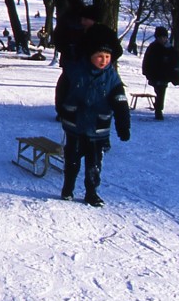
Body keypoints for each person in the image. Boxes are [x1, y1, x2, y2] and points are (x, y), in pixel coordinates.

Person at [56, 35, 131, 207]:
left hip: (98, 128)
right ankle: (68, 188)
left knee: (94, 163)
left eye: (107, 57)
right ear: (90, 55)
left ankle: (91, 192)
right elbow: (61, 91)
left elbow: (121, 103)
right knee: (72, 159)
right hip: (75, 125)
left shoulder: (112, 78)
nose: (103, 60)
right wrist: (61, 110)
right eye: (99, 56)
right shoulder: (74, 71)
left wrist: (123, 126)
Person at [141, 26, 179, 121]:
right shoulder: (153, 47)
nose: (162, 39)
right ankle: (158, 109)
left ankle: (158, 109)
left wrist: (175, 75)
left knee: (161, 91)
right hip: (155, 73)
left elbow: (176, 62)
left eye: (164, 37)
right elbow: (146, 60)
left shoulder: (171, 49)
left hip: (165, 74)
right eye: (160, 37)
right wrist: (146, 72)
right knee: (159, 90)